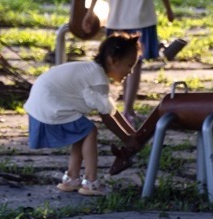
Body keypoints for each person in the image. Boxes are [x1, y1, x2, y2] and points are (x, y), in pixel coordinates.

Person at [25, 32, 142, 196]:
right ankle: (91, 181)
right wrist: (128, 139)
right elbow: (107, 116)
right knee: (89, 131)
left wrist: (131, 133)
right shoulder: (98, 79)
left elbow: (111, 109)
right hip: (49, 105)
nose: (130, 72)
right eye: (129, 65)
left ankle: (71, 179)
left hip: (41, 104)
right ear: (112, 60)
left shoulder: (93, 72)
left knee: (81, 131)